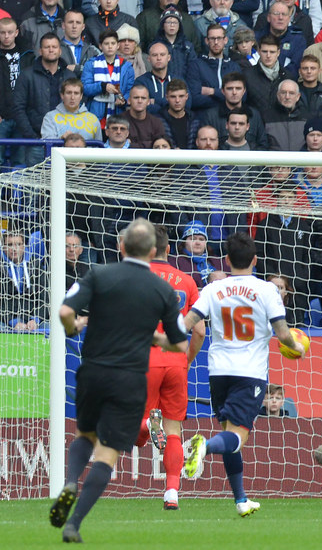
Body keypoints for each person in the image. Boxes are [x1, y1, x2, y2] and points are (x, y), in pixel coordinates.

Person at [50, 219, 189, 543]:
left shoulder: (99, 274)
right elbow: (180, 342)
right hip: (129, 378)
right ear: (154, 251)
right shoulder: (165, 290)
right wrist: (155, 338)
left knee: (85, 434)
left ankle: (70, 481)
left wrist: (75, 328)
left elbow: (65, 312)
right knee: (108, 453)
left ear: (121, 247)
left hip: (94, 371)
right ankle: (74, 524)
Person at [181, 231, 306, 517]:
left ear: (226, 260)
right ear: (255, 260)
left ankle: (241, 500)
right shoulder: (266, 290)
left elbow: (188, 322)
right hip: (249, 373)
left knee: (230, 435)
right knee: (237, 437)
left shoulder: (213, 289)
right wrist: (296, 347)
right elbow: (283, 334)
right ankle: (203, 446)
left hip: (217, 372)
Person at [135, 224, 205, 510]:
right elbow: (199, 330)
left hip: (143, 359)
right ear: (168, 249)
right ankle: (172, 492)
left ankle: (145, 426)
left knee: (133, 422)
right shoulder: (186, 281)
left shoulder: (134, 277)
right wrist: (186, 359)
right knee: (174, 429)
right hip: (176, 361)